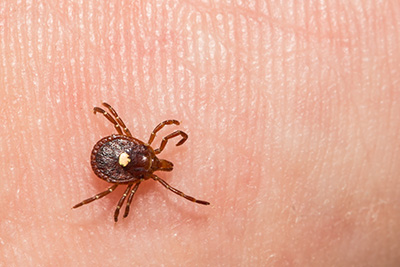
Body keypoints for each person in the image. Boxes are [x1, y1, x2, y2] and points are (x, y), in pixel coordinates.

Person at [1, 1, 399, 266]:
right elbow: (144, 150)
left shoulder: (142, 157)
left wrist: (160, 143)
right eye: (153, 157)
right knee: (121, 169)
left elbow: (143, 141)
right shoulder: (143, 163)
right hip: (114, 155)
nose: (154, 160)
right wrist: (157, 149)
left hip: (112, 154)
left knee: (121, 154)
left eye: (152, 158)